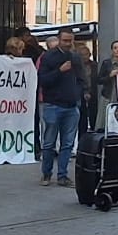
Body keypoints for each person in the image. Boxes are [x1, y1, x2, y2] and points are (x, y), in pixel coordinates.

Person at [36, 30, 83, 186]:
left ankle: (62, 175)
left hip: (71, 106)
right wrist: (59, 71)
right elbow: (42, 80)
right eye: (65, 40)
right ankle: (46, 174)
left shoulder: (75, 57)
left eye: (70, 40)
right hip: (53, 105)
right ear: (59, 39)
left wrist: (79, 93)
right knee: (49, 142)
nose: (68, 44)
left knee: (67, 143)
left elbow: (82, 78)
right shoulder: (49, 57)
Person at [96, 38, 118, 127]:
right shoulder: (106, 63)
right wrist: (110, 76)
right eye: (115, 48)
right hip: (108, 94)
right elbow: (99, 80)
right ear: (112, 50)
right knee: (105, 118)